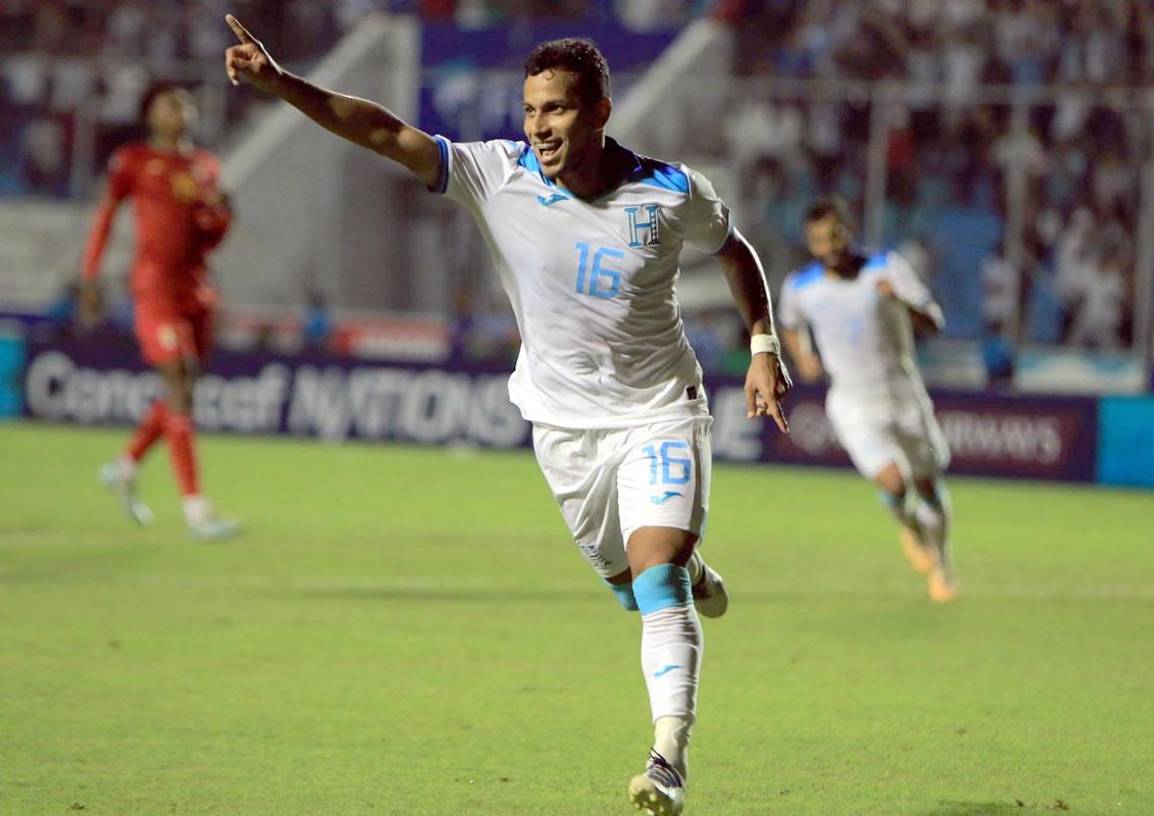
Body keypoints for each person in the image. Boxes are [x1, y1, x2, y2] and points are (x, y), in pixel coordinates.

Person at [224, 16, 790, 815]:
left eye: (556, 109)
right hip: (563, 430)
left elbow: (735, 251)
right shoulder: (498, 175)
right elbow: (384, 132)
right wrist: (284, 84)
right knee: (635, 588)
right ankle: (691, 569)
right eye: (530, 111)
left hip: (661, 409)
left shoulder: (670, 192)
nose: (539, 127)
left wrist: (763, 342)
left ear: (599, 110)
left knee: (655, 583)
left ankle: (668, 756)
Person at [778, 198, 957, 602]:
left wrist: (902, 302)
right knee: (894, 481)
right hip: (853, 403)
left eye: (837, 234)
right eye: (821, 240)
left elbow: (934, 321)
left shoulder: (886, 267)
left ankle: (942, 564)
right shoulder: (801, 287)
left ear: (850, 228)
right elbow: (789, 324)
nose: (832, 246)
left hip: (905, 396)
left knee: (928, 484)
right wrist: (802, 354)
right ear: (811, 243)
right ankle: (909, 527)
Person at [82, 82, 240, 541]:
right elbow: (105, 217)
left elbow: (208, 238)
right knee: (178, 377)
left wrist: (224, 217)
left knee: (183, 390)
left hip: (198, 290)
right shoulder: (132, 162)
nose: (181, 110)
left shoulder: (206, 167)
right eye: (171, 104)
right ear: (151, 115)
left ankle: (126, 464)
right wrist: (90, 277)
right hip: (155, 287)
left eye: (186, 103)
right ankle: (196, 511)